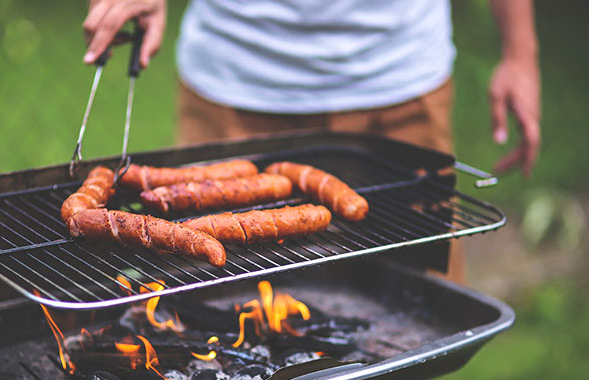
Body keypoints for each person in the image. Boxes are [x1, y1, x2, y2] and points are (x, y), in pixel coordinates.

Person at [81, 0, 541, 283]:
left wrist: (521, 52)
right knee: (205, 311)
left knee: (421, 307)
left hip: (400, 84)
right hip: (233, 82)